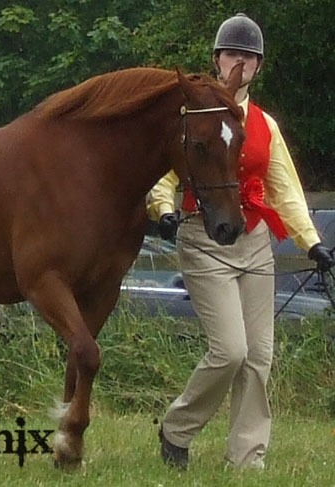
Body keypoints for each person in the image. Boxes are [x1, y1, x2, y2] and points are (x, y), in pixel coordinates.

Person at [146, 13, 334, 470]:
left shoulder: (265, 125)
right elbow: (164, 176)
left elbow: (284, 189)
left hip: (253, 242)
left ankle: (247, 458)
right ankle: (177, 428)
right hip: (204, 240)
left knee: (259, 357)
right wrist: (163, 209)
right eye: (232, 54)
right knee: (230, 351)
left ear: (259, 66)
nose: (240, 63)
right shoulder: (195, 116)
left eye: (249, 57)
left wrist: (311, 242)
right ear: (217, 59)